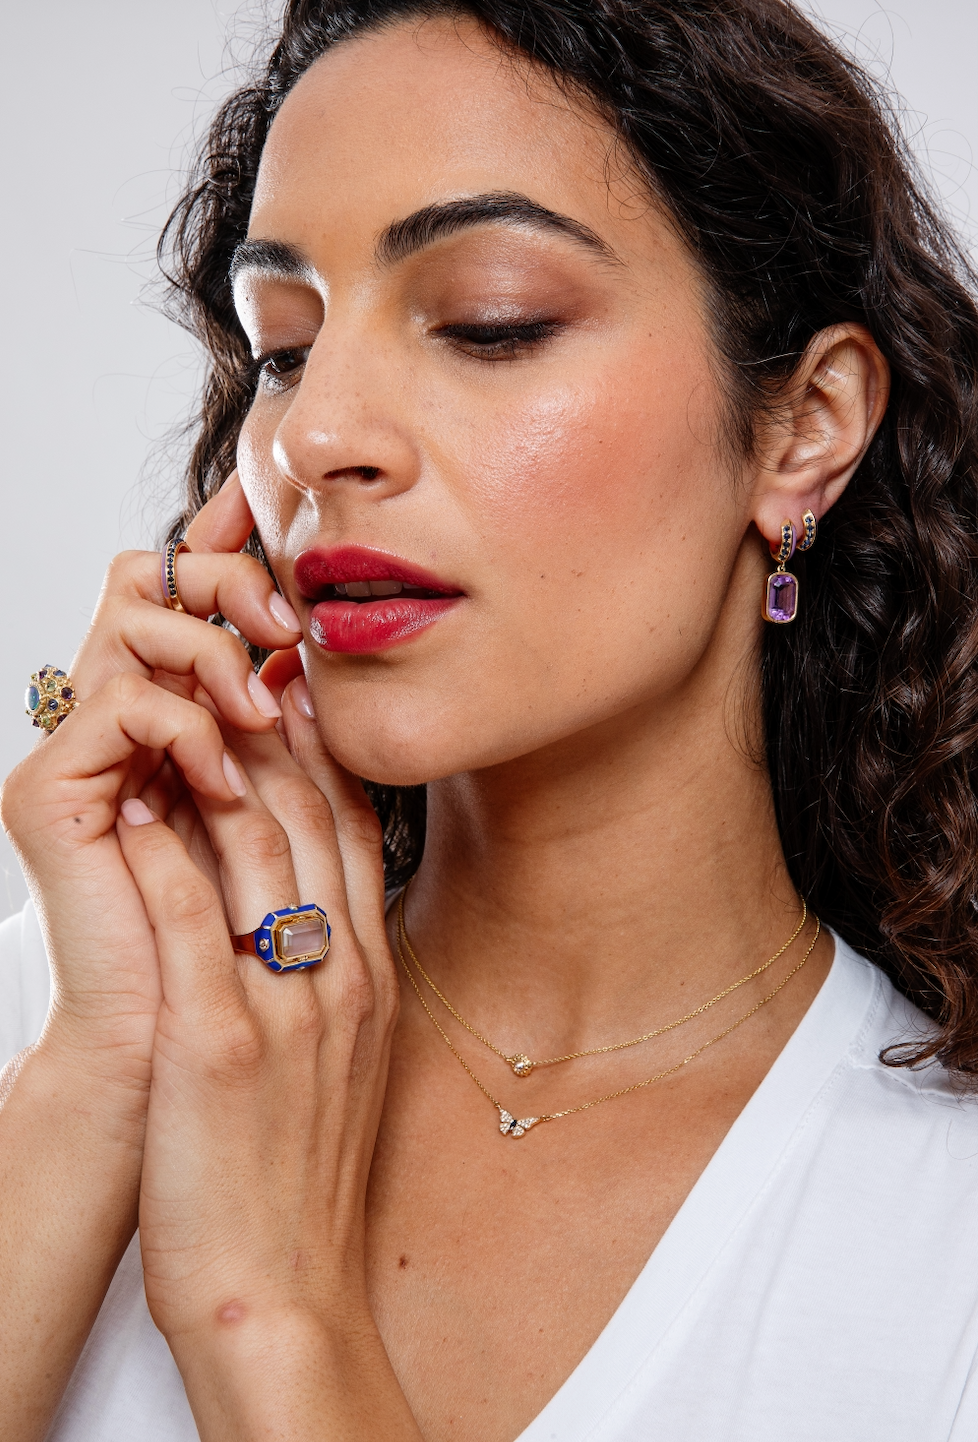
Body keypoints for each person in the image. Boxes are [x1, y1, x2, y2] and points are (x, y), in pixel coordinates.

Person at [4, 0, 978, 1437]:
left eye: (487, 323)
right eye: (284, 346)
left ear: (802, 426)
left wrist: (269, 1311)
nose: (319, 432)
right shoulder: (65, 1007)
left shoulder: (937, 1238)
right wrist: (94, 1079)